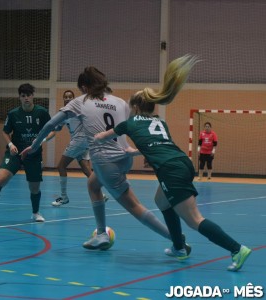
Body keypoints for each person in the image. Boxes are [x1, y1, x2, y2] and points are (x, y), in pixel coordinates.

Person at [94, 54, 252, 272]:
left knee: (194, 219)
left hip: (170, 169)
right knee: (161, 200)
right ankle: (178, 247)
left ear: (136, 108)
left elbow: (101, 136)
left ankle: (237, 249)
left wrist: (90, 139)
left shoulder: (129, 124)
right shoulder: (160, 122)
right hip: (181, 162)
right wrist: (134, 152)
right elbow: (156, 144)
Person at [20, 67, 190, 258]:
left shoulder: (80, 102)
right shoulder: (120, 102)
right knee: (93, 184)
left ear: (84, 87)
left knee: (134, 206)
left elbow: (51, 124)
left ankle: (177, 240)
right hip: (124, 157)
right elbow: (135, 127)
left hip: (105, 161)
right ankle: (101, 233)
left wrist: (34, 146)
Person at [0, 83, 55, 222]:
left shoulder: (41, 112)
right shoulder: (13, 114)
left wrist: (43, 140)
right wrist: (10, 144)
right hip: (14, 153)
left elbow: (53, 130)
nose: (26, 98)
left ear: (33, 96)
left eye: (28, 95)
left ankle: (35, 213)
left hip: (33, 155)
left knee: (34, 187)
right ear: (20, 98)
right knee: (1, 179)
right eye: (23, 96)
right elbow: (5, 131)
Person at [51, 89, 108, 206]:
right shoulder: (64, 113)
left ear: (73, 98)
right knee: (86, 169)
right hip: (83, 142)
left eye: (70, 97)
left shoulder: (77, 109)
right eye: (65, 97)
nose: (67, 98)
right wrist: (49, 132)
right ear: (63, 99)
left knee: (61, 166)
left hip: (80, 140)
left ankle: (64, 197)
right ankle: (101, 195)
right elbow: (57, 128)